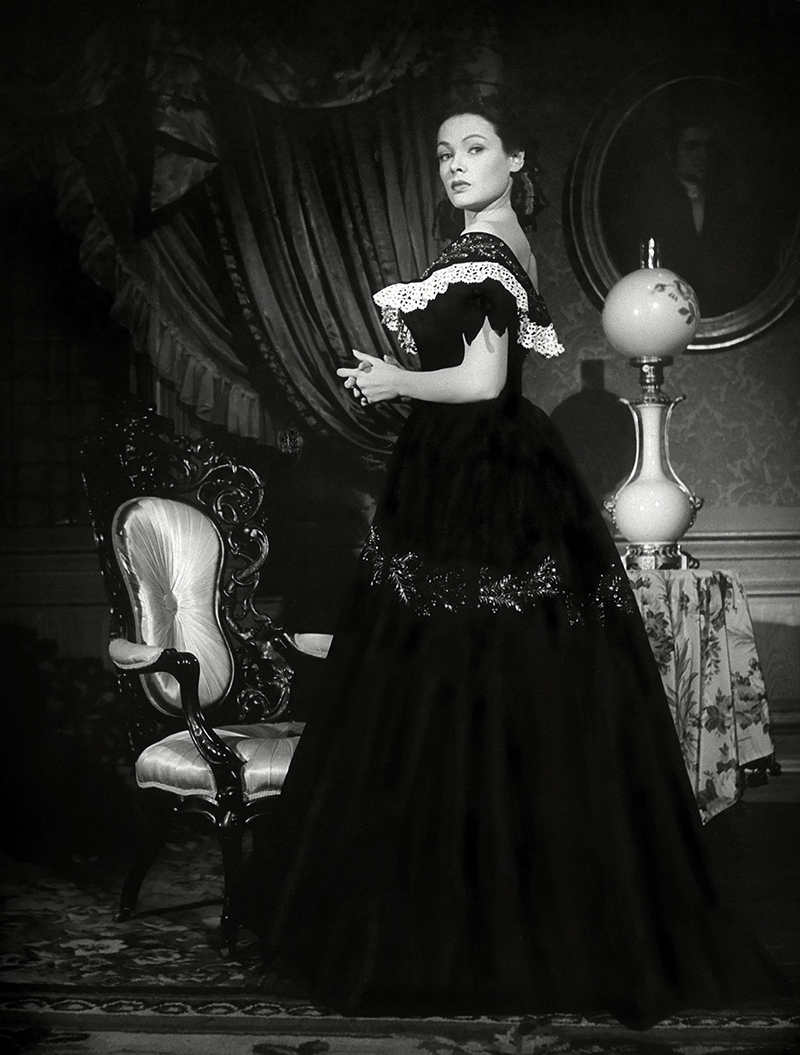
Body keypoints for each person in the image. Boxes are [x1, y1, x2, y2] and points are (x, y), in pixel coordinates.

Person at [243, 92, 787, 1030]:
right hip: (469, 468)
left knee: (458, 677)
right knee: (475, 678)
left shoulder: (489, 250)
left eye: (474, 148)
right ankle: (495, 902)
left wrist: (391, 377)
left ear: (516, 160)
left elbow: (484, 380)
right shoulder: (493, 244)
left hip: (476, 477)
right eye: (444, 153)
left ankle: (459, 921)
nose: (455, 165)